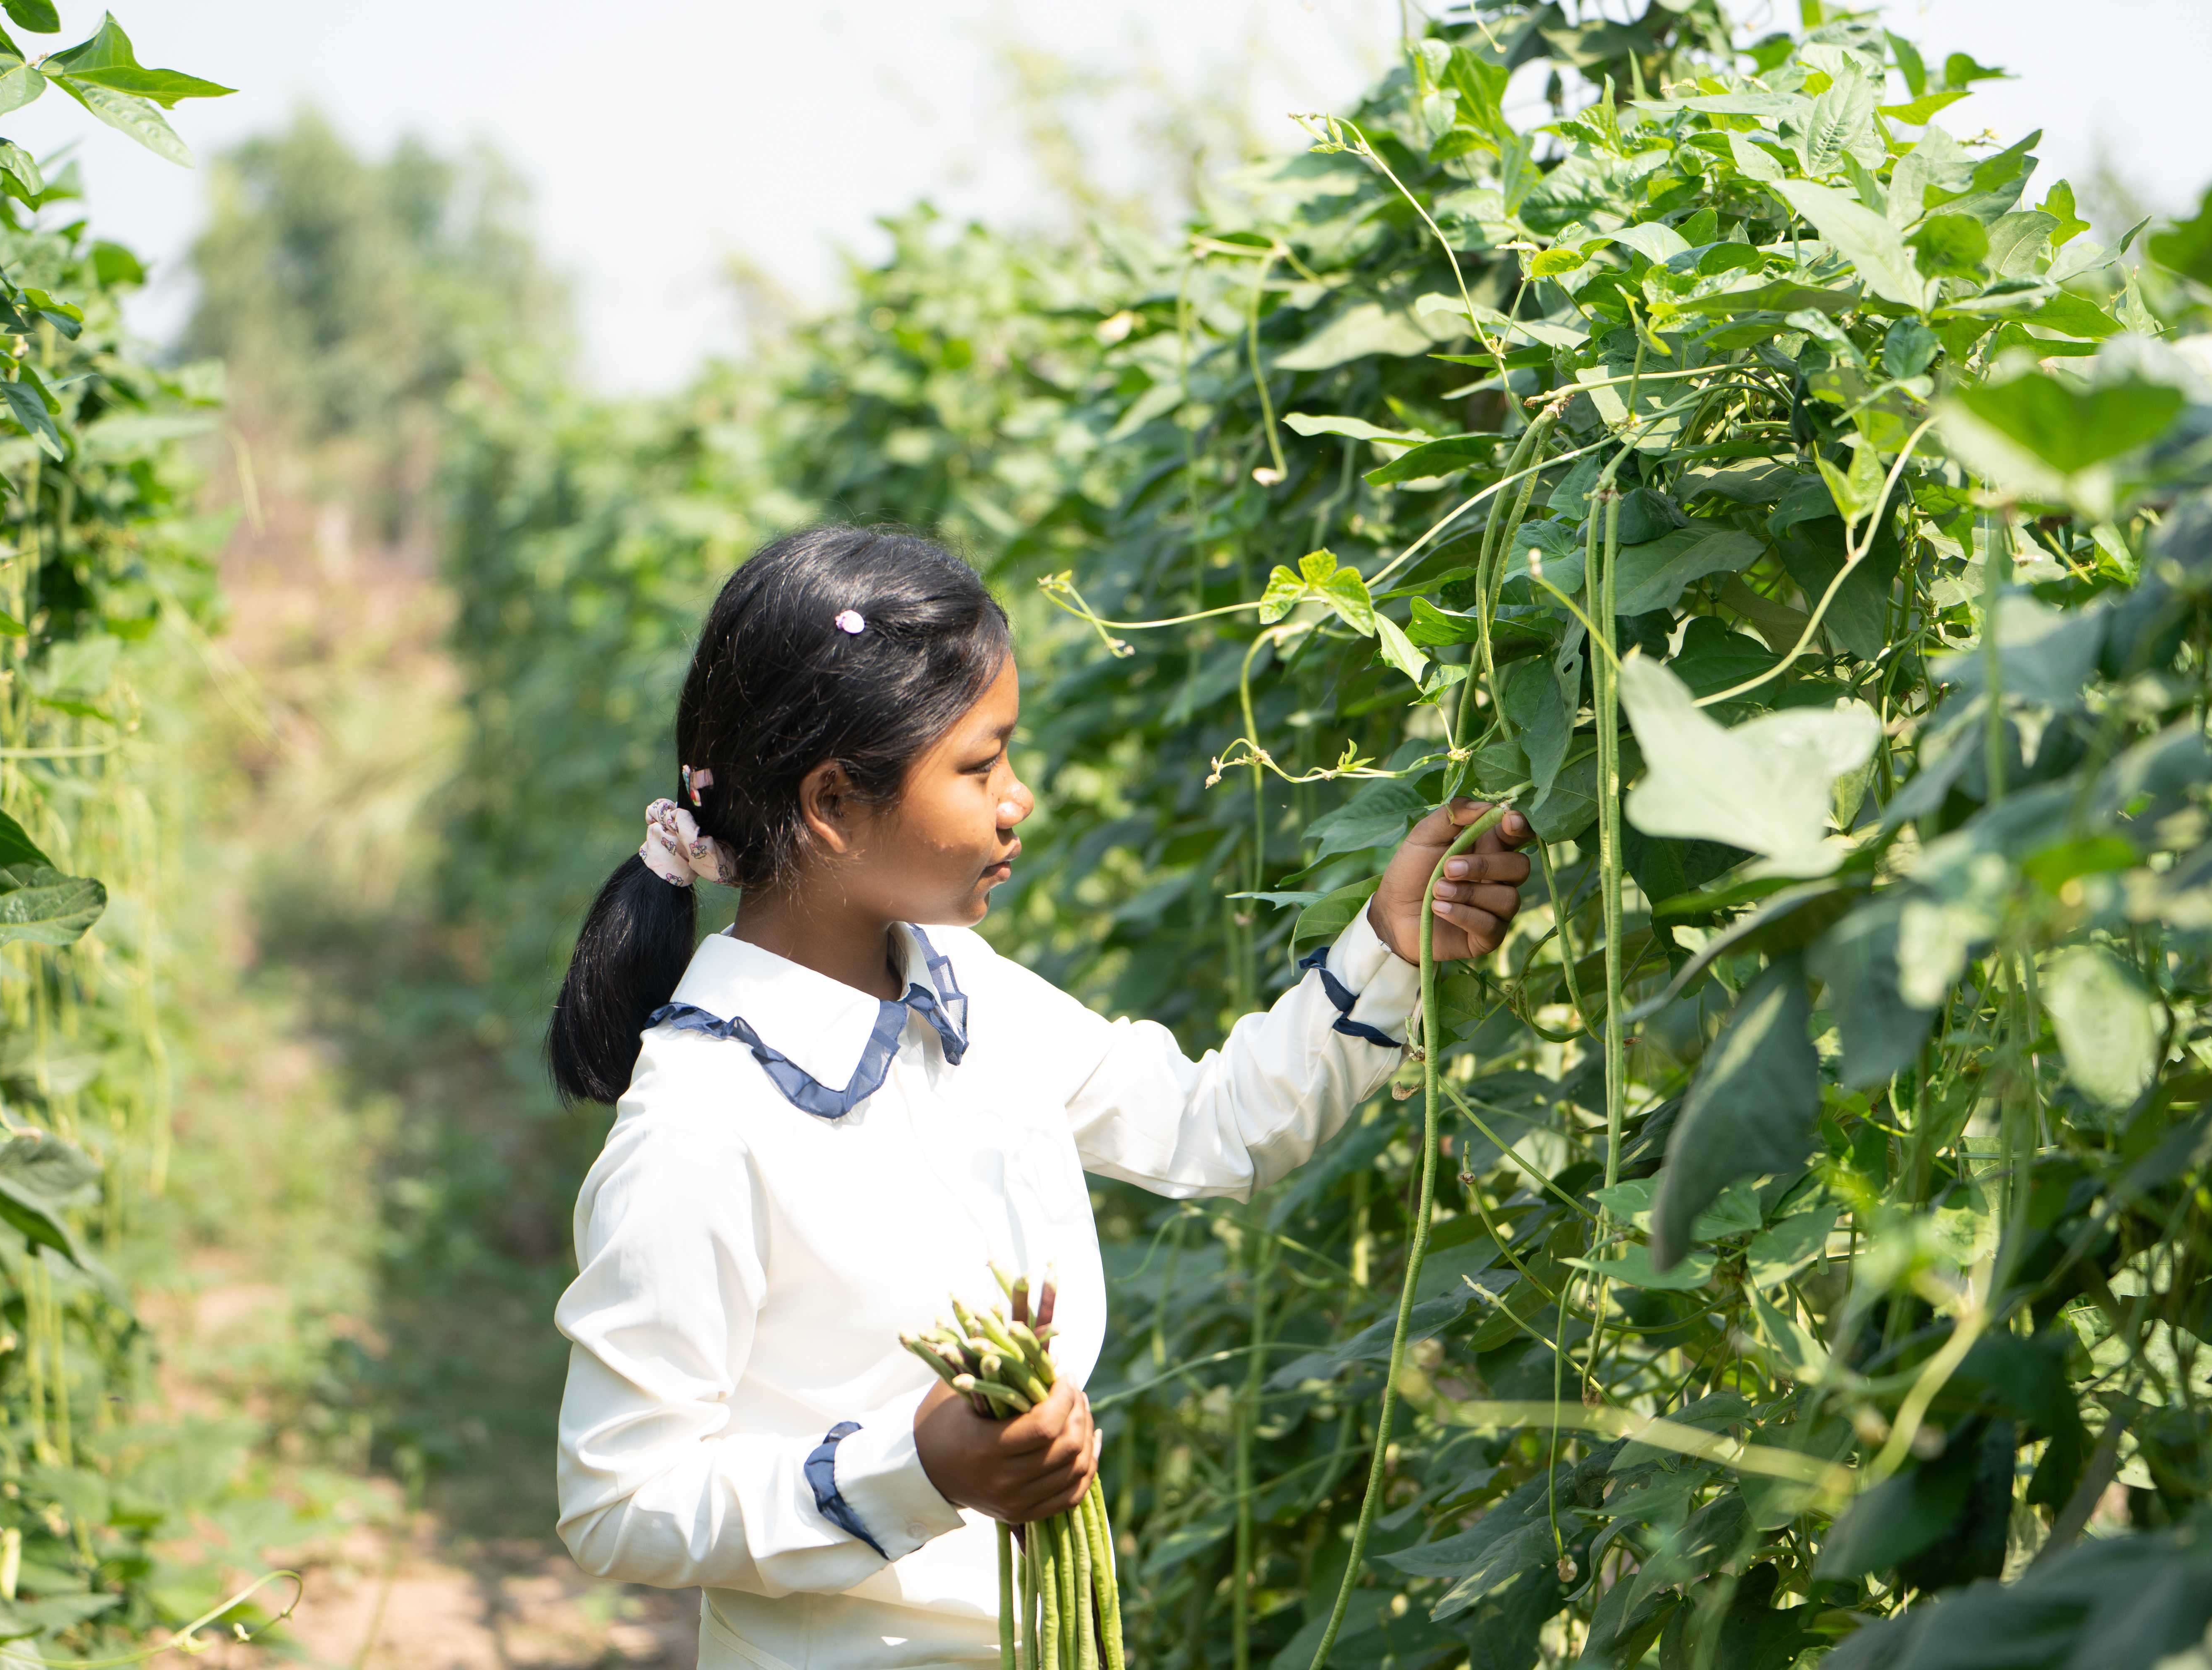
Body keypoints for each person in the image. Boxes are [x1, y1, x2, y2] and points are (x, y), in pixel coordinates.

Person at [548, 525, 1533, 1670]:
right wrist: (912, 1472)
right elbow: (617, 1498)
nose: (1019, 800)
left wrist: (1388, 950)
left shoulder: (964, 990)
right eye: (981, 765)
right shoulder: (702, 1120)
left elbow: (1213, 1127)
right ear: (831, 803)